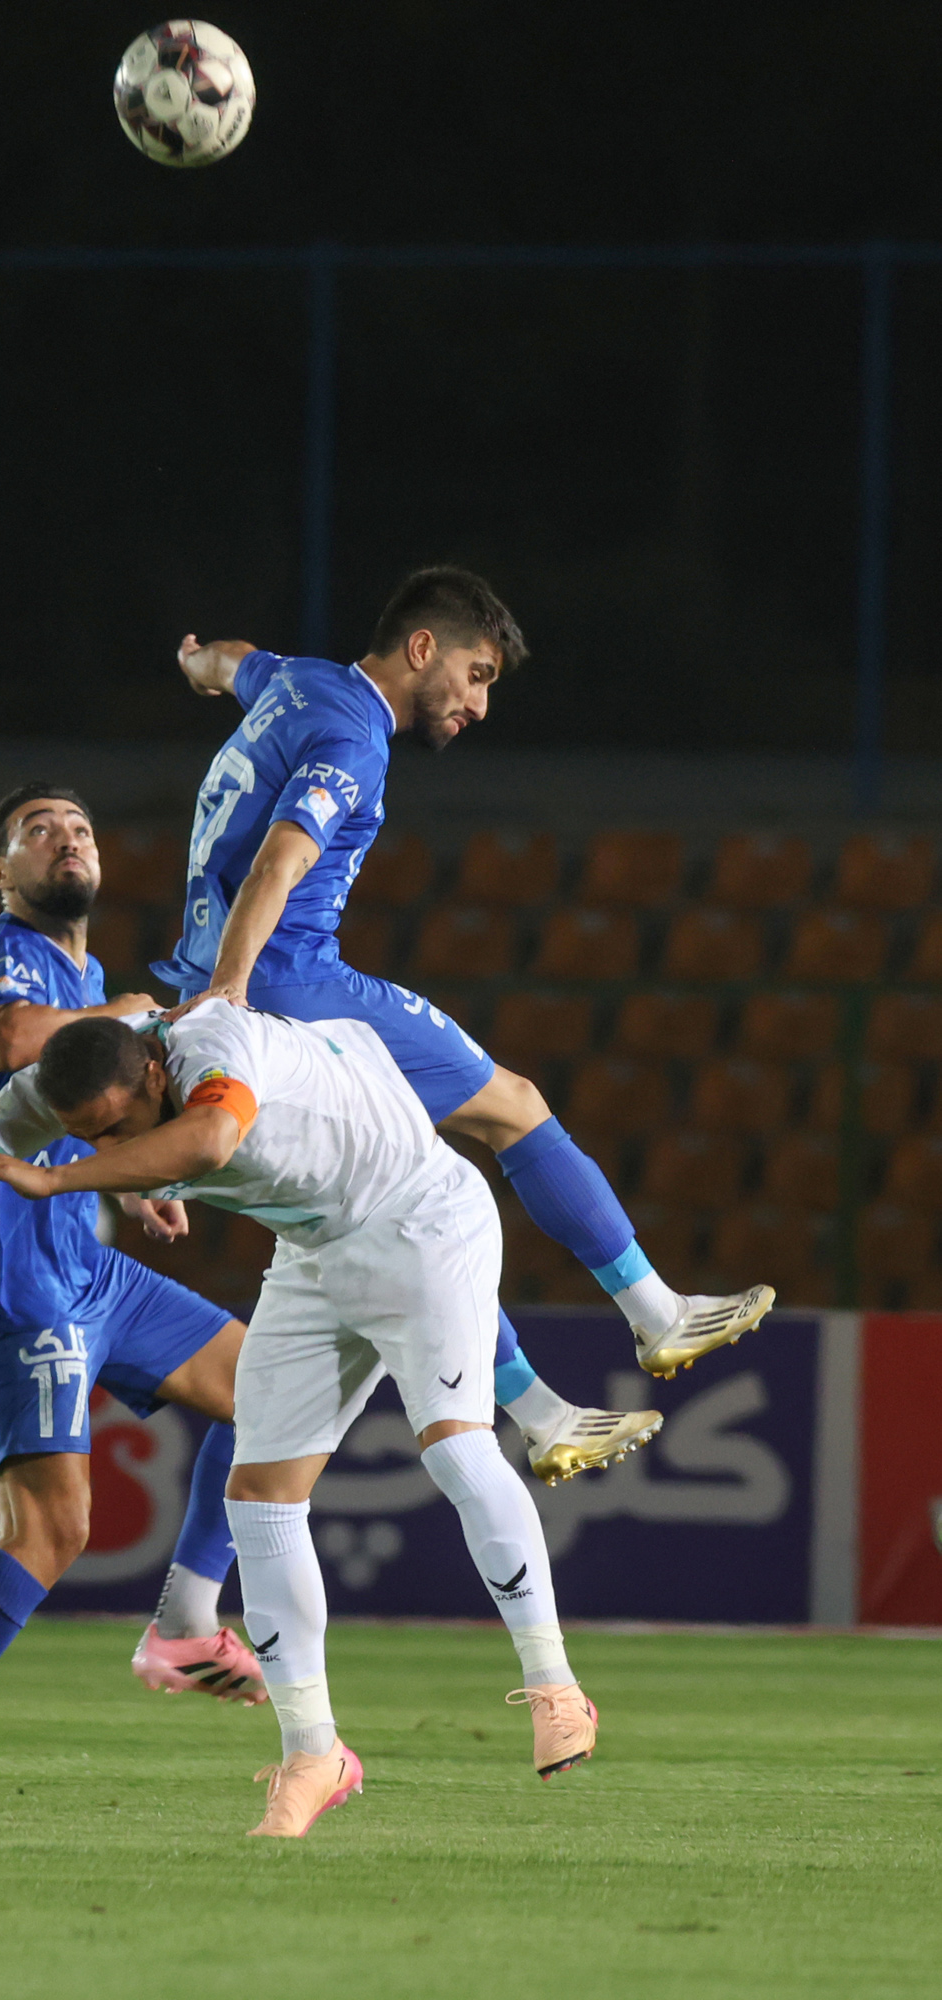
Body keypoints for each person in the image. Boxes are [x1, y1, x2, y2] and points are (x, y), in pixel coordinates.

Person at [150, 566, 774, 1470]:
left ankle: (543, 1414)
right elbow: (279, 863)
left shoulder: (294, 681)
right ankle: (656, 1313)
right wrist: (232, 997)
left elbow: (233, 662)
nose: (479, 705)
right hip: (289, 986)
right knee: (513, 1107)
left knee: (396, 1207)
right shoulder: (352, 735)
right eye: (475, 675)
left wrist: (196, 662)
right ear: (420, 649)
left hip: (207, 977)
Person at [0, 999, 599, 1837]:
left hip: (421, 1220)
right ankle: (312, 1754)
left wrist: (55, 1178)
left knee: (454, 1449)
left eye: (115, 1128)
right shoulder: (63, 1084)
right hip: (314, 1251)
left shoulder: (213, 1047)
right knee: (257, 1501)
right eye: (84, 1136)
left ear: (155, 1073)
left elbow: (209, 1140)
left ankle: (553, 1686)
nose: (104, 1146)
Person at [0, 785, 266, 1819]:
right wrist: (132, 1014)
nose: (65, 839)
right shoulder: (7, 951)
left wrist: (131, 1175)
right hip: (16, 1268)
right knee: (49, 1529)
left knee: (267, 1389)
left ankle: (185, 1618)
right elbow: (13, 1041)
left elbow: (63, 1108)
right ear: (0, 872)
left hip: (84, 1257)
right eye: (39, 831)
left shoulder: (84, 973)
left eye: (79, 828)